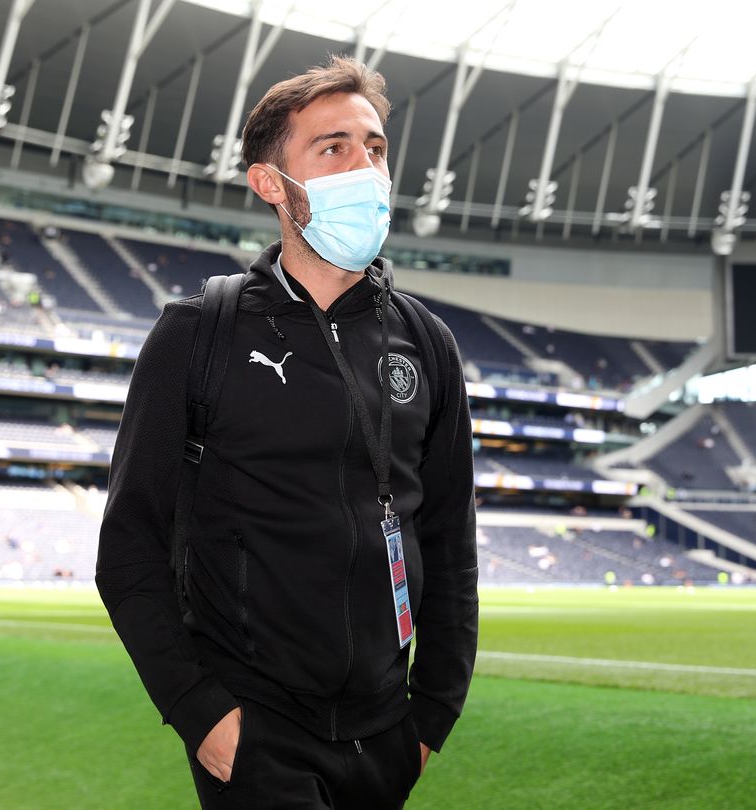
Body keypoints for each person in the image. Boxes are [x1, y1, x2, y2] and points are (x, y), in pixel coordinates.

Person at [96, 56, 478, 809]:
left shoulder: (428, 344)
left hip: (387, 733)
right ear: (272, 184)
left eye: (374, 148)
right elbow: (130, 547)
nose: (364, 167)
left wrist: (431, 715)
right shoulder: (197, 333)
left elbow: (448, 541)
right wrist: (201, 714)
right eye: (333, 148)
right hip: (255, 734)